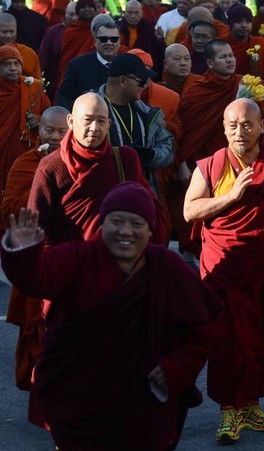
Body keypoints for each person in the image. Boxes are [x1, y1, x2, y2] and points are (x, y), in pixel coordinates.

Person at [2, 183, 221, 450]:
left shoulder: (168, 268)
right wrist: (23, 251)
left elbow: (199, 331)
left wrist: (175, 368)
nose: (126, 232)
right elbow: (36, 279)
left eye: (136, 224)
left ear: (151, 230)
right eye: (116, 222)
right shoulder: (80, 258)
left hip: (143, 402)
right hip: (79, 398)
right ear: (102, 224)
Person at [183, 98, 264, 444]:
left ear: (261, 126)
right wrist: (232, 197)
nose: (240, 131)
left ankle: (250, 405)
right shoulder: (209, 166)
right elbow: (190, 211)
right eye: (233, 125)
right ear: (223, 128)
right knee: (228, 342)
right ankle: (228, 410)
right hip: (223, 267)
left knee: (262, 339)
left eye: (248, 124)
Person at [28, 92, 164, 245]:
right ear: (71, 122)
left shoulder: (124, 160)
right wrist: (52, 263)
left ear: (109, 124)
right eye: (88, 120)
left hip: (116, 259)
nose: (94, 128)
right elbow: (37, 224)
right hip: (68, 261)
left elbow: (146, 213)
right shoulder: (51, 166)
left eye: (101, 121)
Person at [1, 106, 68, 396]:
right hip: (37, 257)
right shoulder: (27, 163)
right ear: (38, 131)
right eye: (48, 130)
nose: (54, 137)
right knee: (39, 338)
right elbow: (8, 211)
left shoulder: (77, 163)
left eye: (61, 132)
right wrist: (41, 186)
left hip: (70, 258)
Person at [97, 53, 174, 194]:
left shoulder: (147, 113)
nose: (146, 85)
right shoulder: (92, 111)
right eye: (142, 80)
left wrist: (150, 155)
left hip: (141, 192)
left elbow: (168, 149)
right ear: (123, 81)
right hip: (104, 192)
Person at [178, 39, 249, 166]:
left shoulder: (245, 84)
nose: (229, 60)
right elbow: (186, 132)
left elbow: (260, 120)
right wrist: (181, 163)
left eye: (231, 55)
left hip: (241, 154)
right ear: (210, 63)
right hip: (204, 159)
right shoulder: (196, 91)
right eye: (223, 57)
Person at [0, 46, 50, 198]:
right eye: (7, 64)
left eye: (16, 64)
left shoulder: (33, 88)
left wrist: (39, 120)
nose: (13, 68)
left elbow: (49, 115)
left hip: (24, 151)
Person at [56, 16, 120, 110]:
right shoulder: (77, 65)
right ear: (95, 41)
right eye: (103, 39)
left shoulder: (127, 65)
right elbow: (64, 98)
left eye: (114, 39)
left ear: (120, 42)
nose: (109, 43)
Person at [225, 3, 264, 88]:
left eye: (248, 22)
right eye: (239, 21)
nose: (244, 25)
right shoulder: (221, 45)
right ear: (230, 23)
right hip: (229, 91)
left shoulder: (260, 43)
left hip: (257, 93)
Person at [39, 1, 77, 100]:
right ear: (65, 14)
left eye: (77, 14)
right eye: (71, 14)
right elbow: (44, 59)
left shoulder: (85, 33)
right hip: (54, 84)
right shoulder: (53, 32)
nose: (74, 18)